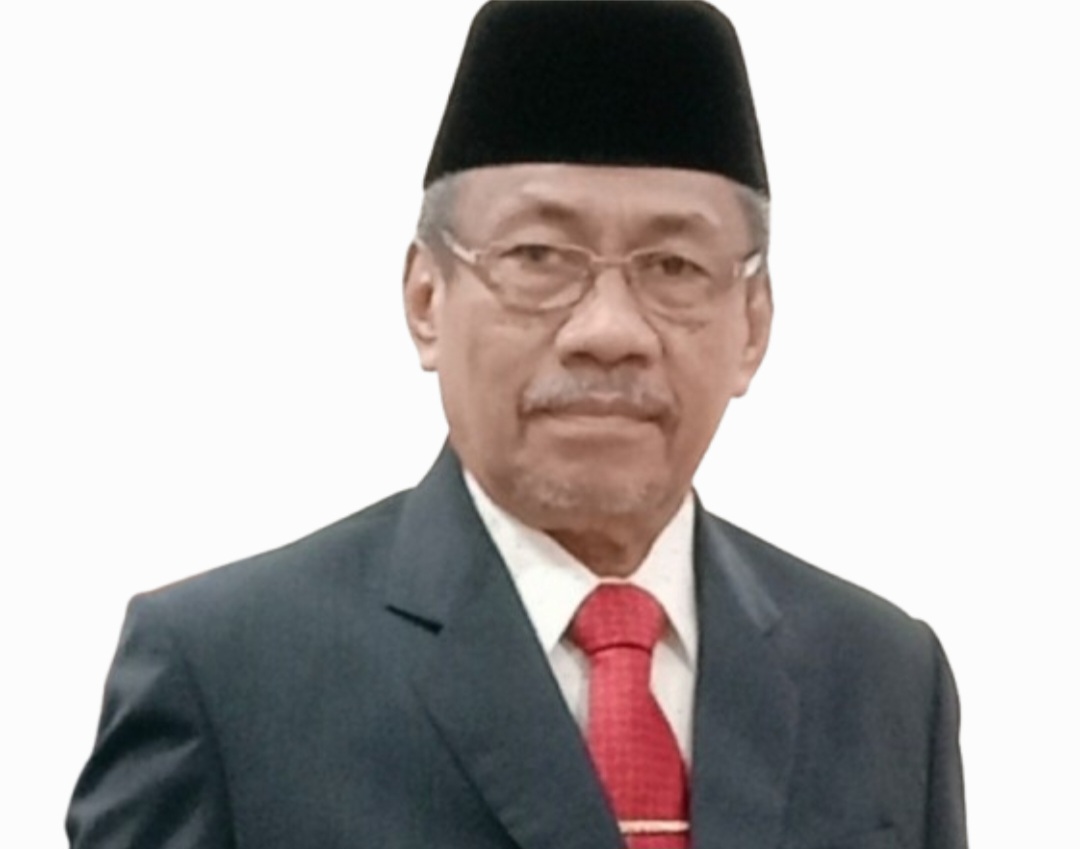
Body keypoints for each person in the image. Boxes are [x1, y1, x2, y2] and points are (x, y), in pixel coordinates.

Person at [67, 3, 967, 848]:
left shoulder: (884, 678)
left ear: (755, 324)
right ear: (426, 298)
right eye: (538, 257)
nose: (609, 330)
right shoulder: (229, 676)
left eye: (674, 266)